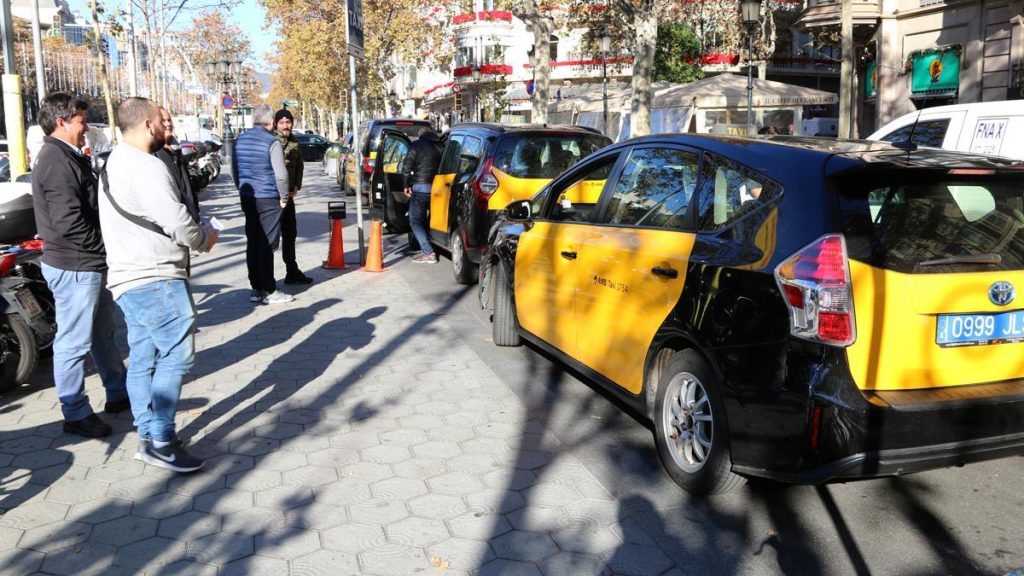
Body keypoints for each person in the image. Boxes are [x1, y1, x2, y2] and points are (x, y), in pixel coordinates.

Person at [99, 96, 219, 473]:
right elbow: (177, 219)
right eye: (160, 120)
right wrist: (204, 239)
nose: (165, 126)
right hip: (155, 277)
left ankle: (148, 436)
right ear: (149, 124)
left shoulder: (112, 163)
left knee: (143, 360)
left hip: (128, 278)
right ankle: (162, 441)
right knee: (177, 357)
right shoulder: (145, 166)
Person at [31, 92, 129, 439]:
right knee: (73, 342)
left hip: (86, 263)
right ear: (62, 122)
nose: (86, 127)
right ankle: (75, 413)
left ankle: (118, 393)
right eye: (81, 120)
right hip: (75, 265)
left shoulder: (65, 155)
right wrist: (105, 248)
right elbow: (69, 222)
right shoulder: (56, 160)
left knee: (103, 333)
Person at [233, 104, 294, 303]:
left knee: (253, 241)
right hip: (268, 197)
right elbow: (281, 175)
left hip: (248, 196)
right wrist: (284, 198)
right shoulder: (272, 141)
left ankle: (256, 288)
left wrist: (241, 188)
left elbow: (235, 170)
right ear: (270, 122)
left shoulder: (240, 140)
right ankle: (270, 290)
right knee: (268, 243)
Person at [273, 109, 312, 285]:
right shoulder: (272, 141)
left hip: (288, 195)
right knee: (271, 237)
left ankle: (292, 271)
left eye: (288, 122)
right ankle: (266, 279)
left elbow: (299, 165)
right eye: (281, 122)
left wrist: (296, 185)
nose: (285, 126)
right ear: (275, 124)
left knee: (290, 233)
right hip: (273, 196)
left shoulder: (294, 141)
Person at [401, 127, 443, 263]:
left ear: (420, 136)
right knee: (433, 219)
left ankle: (428, 252)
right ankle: (432, 245)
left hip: (420, 188)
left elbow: (406, 167)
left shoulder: (416, 145)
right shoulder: (441, 145)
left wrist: (405, 185)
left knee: (415, 221)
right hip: (439, 189)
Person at [155, 107, 199, 224]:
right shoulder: (153, 155)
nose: (168, 124)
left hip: (190, 216)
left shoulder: (176, 149)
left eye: (169, 120)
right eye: (163, 121)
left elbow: (186, 184)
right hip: (175, 222)